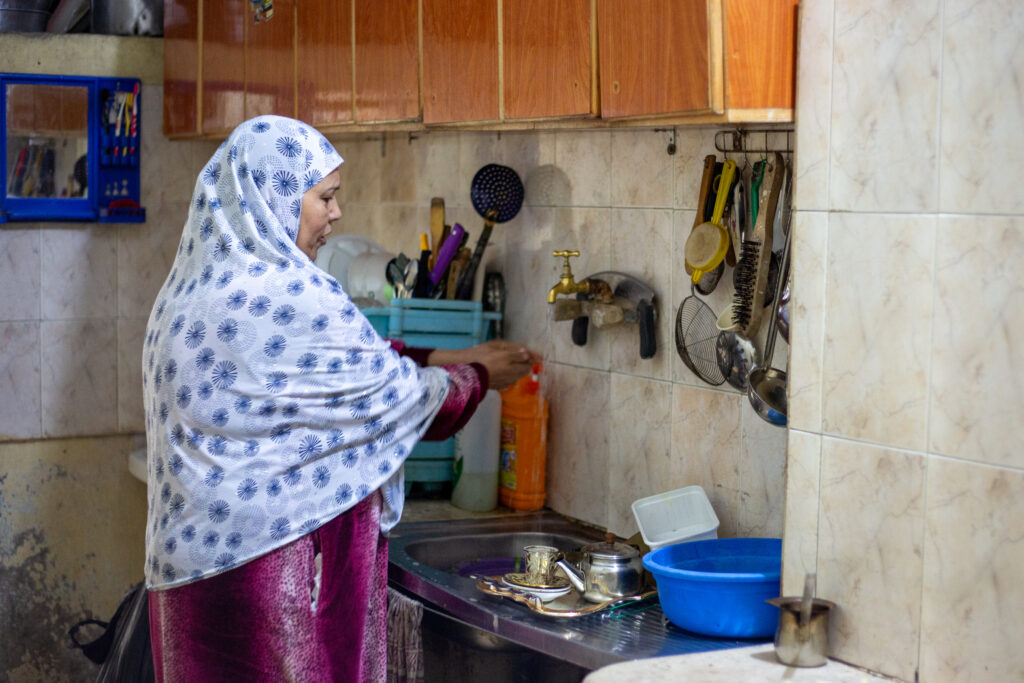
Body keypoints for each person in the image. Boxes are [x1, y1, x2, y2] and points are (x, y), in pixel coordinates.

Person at [142, 115, 538, 682]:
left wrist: (440, 358)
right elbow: (397, 398)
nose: (337, 214)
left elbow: (338, 366)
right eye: (324, 197)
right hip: (270, 576)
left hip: (188, 572)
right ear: (274, 194)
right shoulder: (292, 293)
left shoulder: (188, 292)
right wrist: (478, 374)